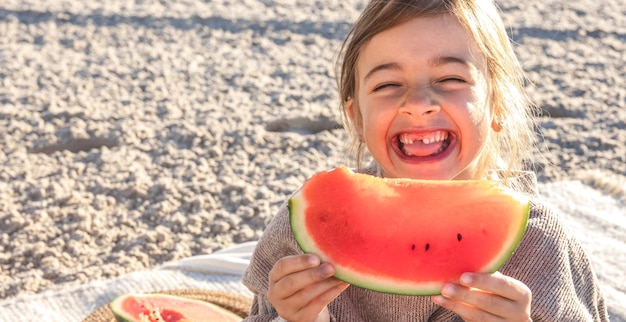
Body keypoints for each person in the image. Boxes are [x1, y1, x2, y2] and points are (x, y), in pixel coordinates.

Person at [242, 0, 609, 320]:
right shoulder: (308, 230)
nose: (418, 104)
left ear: (497, 106)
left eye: (450, 78)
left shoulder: (537, 241)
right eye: (387, 85)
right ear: (356, 118)